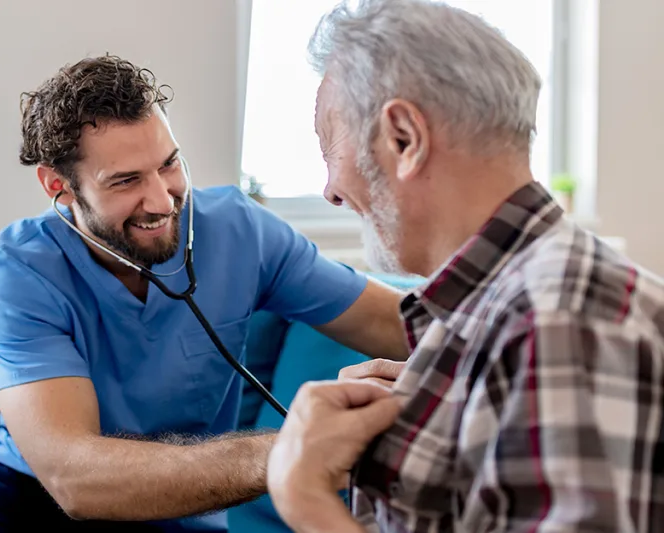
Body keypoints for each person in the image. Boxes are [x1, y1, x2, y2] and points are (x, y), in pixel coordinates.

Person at [0, 54, 411, 532]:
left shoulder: (240, 230)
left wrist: (483, 337)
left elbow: (400, 323)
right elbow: (72, 475)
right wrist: (294, 448)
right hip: (28, 488)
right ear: (58, 186)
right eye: (125, 181)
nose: (163, 200)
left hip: (180, 504)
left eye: (168, 164)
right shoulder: (20, 267)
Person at [266, 0, 664, 531]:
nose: (331, 191)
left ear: (404, 137)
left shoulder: (561, 319)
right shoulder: (499, 313)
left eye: (327, 147)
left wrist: (304, 496)